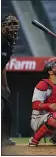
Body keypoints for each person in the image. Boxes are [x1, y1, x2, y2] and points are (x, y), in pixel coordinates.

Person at [1, 15, 20, 146]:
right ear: (2, 27)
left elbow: (2, 66)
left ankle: (4, 139)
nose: (13, 28)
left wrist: (5, 85)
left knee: (6, 107)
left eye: (15, 25)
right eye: (10, 24)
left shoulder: (8, 44)